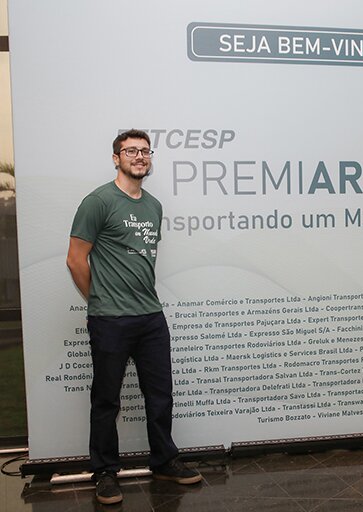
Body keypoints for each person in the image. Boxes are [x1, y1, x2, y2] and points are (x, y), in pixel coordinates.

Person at [67, 129, 202, 505]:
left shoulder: (153, 206)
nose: (139, 156)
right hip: (110, 319)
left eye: (145, 151)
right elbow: (75, 259)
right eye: (130, 151)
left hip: (150, 317)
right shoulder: (98, 201)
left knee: (160, 395)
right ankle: (105, 472)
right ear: (116, 158)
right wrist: (99, 299)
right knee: (106, 400)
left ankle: (164, 461)